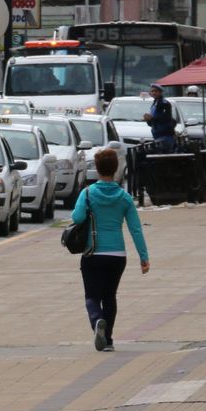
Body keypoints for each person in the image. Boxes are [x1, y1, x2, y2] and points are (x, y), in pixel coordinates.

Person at [71, 147, 149, 352]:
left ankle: (97, 321)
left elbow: (77, 218)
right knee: (110, 296)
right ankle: (109, 340)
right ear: (115, 169)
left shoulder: (87, 193)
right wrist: (143, 257)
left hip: (93, 253)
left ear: (97, 169)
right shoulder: (124, 197)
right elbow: (135, 229)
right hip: (117, 255)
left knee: (92, 297)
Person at [143, 83, 176, 152]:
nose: (154, 93)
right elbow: (152, 122)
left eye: (156, 91)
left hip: (165, 135)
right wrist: (148, 120)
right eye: (152, 91)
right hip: (157, 135)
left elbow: (166, 118)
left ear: (160, 92)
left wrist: (152, 118)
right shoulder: (154, 103)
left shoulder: (164, 103)